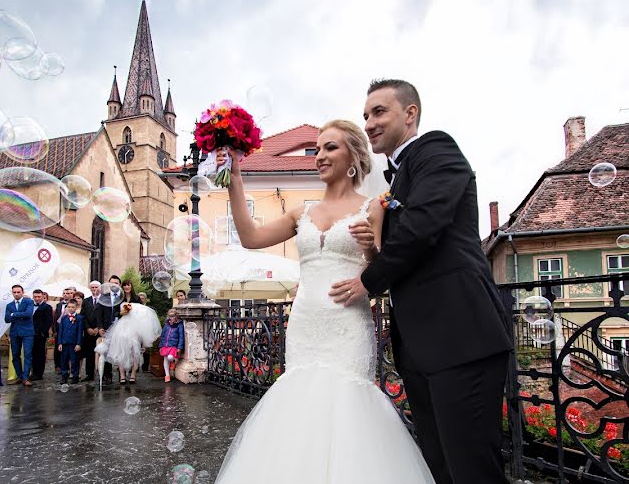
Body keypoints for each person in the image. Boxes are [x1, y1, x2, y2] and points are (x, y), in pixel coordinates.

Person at [213, 119, 435, 483]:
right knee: (300, 410)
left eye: (330, 147)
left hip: (347, 323)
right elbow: (251, 237)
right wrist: (236, 177)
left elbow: (380, 274)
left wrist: (368, 249)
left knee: (348, 411)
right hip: (304, 324)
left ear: (353, 158)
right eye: (317, 149)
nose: (319, 156)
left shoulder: (374, 208)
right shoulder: (301, 212)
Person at [328, 79, 511, 484]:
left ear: (410, 114)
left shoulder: (436, 149)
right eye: (365, 115)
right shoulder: (397, 179)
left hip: (461, 334)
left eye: (380, 111)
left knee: (472, 468)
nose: (369, 123)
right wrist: (373, 251)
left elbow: (423, 225)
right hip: (423, 344)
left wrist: (367, 280)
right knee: (440, 464)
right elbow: (406, 245)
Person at [95, 301, 161, 386]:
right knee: (121, 351)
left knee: (135, 353)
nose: (126, 286)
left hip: (134, 328)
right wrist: (121, 313)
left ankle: (133, 375)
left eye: (128, 285)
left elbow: (142, 314)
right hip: (122, 327)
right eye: (125, 286)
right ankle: (122, 376)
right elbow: (115, 313)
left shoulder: (136, 300)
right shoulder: (118, 302)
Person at [91, 275, 122, 385]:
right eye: (112, 283)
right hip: (106, 328)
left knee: (121, 352)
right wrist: (100, 327)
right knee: (106, 352)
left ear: (119, 285)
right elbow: (99, 314)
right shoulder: (104, 297)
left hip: (120, 328)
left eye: (116, 283)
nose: (114, 285)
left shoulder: (122, 297)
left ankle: (122, 376)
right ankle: (107, 376)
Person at [4, 284, 35, 387]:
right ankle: (19, 376)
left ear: (22, 292)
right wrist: (17, 315)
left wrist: (14, 314)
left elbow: (28, 314)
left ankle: (26, 377)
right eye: (14, 292)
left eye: (18, 292)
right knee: (15, 355)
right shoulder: (9, 305)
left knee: (27, 354)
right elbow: (7, 319)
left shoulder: (29, 302)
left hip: (27, 333)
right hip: (15, 332)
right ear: (12, 293)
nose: (16, 294)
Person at [56, 298, 85, 384]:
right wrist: (59, 343)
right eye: (69, 307)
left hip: (74, 342)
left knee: (74, 360)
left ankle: (75, 376)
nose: (71, 308)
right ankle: (64, 376)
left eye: (73, 307)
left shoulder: (79, 318)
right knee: (64, 360)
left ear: (76, 307)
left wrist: (79, 343)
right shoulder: (64, 318)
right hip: (64, 342)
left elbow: (80, 332)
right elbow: (60, 331)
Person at [28, 289, 53, 381]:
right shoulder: (29, 305)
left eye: (39, 297)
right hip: (29, 333)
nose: (37, 298)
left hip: (40, 335)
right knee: (32, 354)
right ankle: (32, 372)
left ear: (43, 296)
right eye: (35, 297)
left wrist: (42, 332)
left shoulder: (47, 307)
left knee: (40, 354)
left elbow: (49, 321)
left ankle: (38, 374)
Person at [80, 281, 101, 381]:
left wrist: (98, 327)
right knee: (89, 353)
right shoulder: (86, 301)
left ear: (99, 288)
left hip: (100, 331)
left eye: (96, 287)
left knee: (102, 353)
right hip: (89, 332)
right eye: (92, 287)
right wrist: (87, 328)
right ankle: (89, 374)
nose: (94, 289)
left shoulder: (104, 300)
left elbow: (105, 315)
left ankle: (103, 375)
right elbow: (82, 316)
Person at [53, 286, 76, 374]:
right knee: (58, 348)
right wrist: (55, 330)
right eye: (65, 293)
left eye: (69, 293)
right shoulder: (59, 305)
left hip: (70, 330)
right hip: (59, 329)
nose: (66, 295)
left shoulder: (74, 304)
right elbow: (55, 318)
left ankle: (69, 367)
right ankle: (58, 366)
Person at [159, 309, 185, 383]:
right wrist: (161, 345)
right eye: (170, 316)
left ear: (176, 316)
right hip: (165, 345)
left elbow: (181, 336)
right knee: (165, 359)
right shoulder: (167, 324)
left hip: (173, 345)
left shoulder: (179, 325)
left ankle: (173, 361)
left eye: (173, 316)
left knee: (170, 357)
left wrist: (180, 347)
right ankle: (167, 375)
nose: (171, 317)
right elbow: (163, 335)